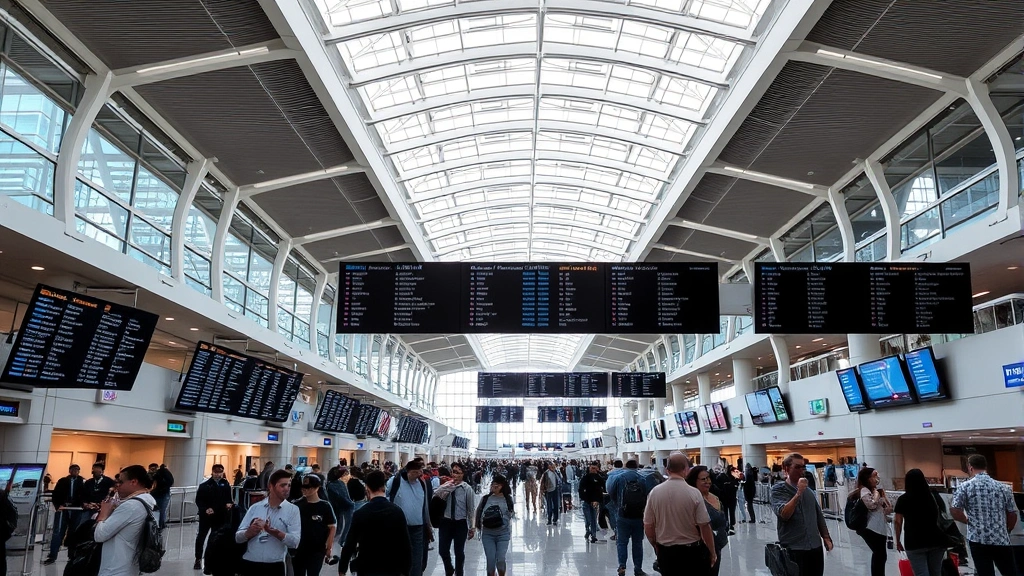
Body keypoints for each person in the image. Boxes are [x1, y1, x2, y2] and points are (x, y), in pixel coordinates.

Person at [643, 453, 715, 576]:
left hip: (666, 552)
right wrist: (712, 552)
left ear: (667, 469)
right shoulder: (694, 493)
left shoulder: (654, 493)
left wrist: (655, 544)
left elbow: (648, 525)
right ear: (686, 469)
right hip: (691, 552)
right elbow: (704, 526)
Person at [951, 454, 1019, 576]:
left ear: (970, 467)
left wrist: (967, 520)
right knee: (1010, 572)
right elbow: (1012, 514)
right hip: (1001, 539)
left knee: (985, 572)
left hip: (978, 539)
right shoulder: (1004, 488)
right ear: (985, 467)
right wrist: (1007, 529)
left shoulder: (964, 487)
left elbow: (955, 510)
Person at [770, 453, 833, 576]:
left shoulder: (809, 492)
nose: (801, 471)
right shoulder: (779, 490)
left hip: (814, 547)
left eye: (803, 467)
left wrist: (826, 537)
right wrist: (798, 493)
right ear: (787, 468)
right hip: (794, 548)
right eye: (797, 467)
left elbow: (818, 515)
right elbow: (784, 514)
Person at [339, 471, 411, 576]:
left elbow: (350, 543)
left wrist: (342, 569)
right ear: (384, 487)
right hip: (392, 567)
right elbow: (405, 543)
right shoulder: (397, 511)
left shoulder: (360, 513)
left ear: (367, 489)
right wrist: (406, 570)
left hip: (367, 567)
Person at [93, 464, 158, 576]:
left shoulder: (131, 506)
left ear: (133, 482)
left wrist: (103, 515)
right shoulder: (149, 502)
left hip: (115, 569)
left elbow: (100, 535)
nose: (117, 486)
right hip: (130, 566)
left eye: (120, 482)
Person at [235, 469, 301, 576]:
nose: (287, 489)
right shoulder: (255, 508)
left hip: (275, 564)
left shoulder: (293, 510)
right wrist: (249, 532)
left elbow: (294, 542)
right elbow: (238, 538)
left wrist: (273, 531)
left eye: (289, 485)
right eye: (283, 485)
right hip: (250, 562)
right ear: (271, 486)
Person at [894, 469, 952, 576]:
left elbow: (898, 522)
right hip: (936, 540)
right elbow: (945, 515)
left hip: (914, 542)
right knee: (936, 572)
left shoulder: (903, 499)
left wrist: (897, 541)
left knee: (921, 573)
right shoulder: (934, 496)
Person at [386, 459, 434, 576]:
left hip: (418, 528)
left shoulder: (422, 483)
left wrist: (428, 524)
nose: (419, 474)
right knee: (399, 556)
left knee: (417, 558)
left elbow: (425, 505)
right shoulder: (395, 481)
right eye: (416, 472)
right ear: (408, 471)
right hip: (399, 528)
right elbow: (386, 498)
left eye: (420, 472)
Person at [606, 459, 649, 576]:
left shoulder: (619, 477)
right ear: (636, 467)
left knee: (622, 542)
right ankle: (638, 568)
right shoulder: (643, 478)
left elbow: (610, 492)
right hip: (639, 516)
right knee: (637, 543)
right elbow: (647, 495)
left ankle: (622, 566)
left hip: (622, 515)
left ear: (625, 466)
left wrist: (618, 505)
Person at [686, 466, 729, 576]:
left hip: (717, 546)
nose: (708, 482)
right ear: (694, 481)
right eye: (703, 479)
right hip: (701, 550)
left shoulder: (715, 497)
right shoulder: (693, 500)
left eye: (708, 478)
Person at [435, 462, 476, 576]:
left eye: (458, 472)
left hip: (460, 523)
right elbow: (435, 497)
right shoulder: (446, 486)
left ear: (463, 474)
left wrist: (472, 527)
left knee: (459, 552)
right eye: (453, 471)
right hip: (446, 522)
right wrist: (444, 487)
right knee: (443, 550)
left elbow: (471, 510)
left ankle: (459, 573)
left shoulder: (467, 489)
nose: (455, 475)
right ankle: (449, 568)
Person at [851, 466, 892, 576]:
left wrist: (883, 497)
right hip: (871, 528)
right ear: (868, 478)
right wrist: (877, 493)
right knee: (879, 554)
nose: (877, 478)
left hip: (879, 527)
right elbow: (871, 505)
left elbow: (887, 508)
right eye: (874, 476)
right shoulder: (865, 490)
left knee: (881, 555)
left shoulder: (876, 491)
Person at [292, 474, 336, 576]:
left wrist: (328, 548)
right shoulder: (296, 505)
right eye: (303, 487)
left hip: (317, 549)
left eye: (308, 487)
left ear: (317, 488)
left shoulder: (325, 506)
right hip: (299, 549)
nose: (305, 490)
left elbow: (332, 527)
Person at [194, 463, 234, 570]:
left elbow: (229, 499)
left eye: (220, 472)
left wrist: (229, 504)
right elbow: (199, 500)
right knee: (201, 537)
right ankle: (198, 558)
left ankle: (210, 559)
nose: (218, 475)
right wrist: (205, 509)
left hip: (219, 516)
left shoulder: (225, 485)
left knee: (214, 538)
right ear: (212, 472)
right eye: (216, 472)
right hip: (206, 517)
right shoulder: (205, 485)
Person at [43, 463, 85, 565]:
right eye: (73, 469)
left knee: (74, 532)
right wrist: (58, 506)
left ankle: (72, 555)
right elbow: (56, 494)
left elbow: (85, 495)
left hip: (76, 510)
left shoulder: (82, 482)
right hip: (63, 509)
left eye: (77, 470)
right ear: (69, 470)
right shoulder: (62, 481)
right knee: (58, 532)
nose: (75, 471)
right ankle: (53, 555)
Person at [476, 474, 513, 576]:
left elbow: (511, 514)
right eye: (492, 484)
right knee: (491, 561)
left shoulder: (508, 499)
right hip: (488, 534)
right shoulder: (485, 499)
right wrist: (476, 527)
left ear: (502, 486)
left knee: (500, 560)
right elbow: (478, 512)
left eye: (496, 485)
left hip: (503, 534)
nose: (493, 486)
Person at [326, 467, 354, 547]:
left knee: (340, 526)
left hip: (339, 506)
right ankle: (341, 541)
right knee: (345, 525)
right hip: (342, 506)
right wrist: (350, 503)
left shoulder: (332, 484)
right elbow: (344, 496)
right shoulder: (337, 484)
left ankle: (339, 541)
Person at [578, 461, 605, 543]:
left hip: (595, 502)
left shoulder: (599, 478)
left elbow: (604, 485)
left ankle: (593, 535)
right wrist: (583, 498)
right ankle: (588, 530)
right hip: (587, 502)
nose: (593, 470)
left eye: (595, 468)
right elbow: (581, 489)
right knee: (588, 519)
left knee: (593, 519)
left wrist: (598, 500)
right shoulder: (585, 478)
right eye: (592, 468)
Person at [714, 465, 739, 533]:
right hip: (728, 498)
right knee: (729, 512)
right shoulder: (726, 477)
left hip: (727, 498)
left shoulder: (731, 477)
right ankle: (729, 524)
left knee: (728, 511)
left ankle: (729, 524)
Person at [148, 463, 173, 530]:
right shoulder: (160, 474)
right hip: (161, 494)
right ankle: (160, 525)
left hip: (159, 494)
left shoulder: (161, 473)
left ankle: (159, 525)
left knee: (159, 510)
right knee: (161, 510)